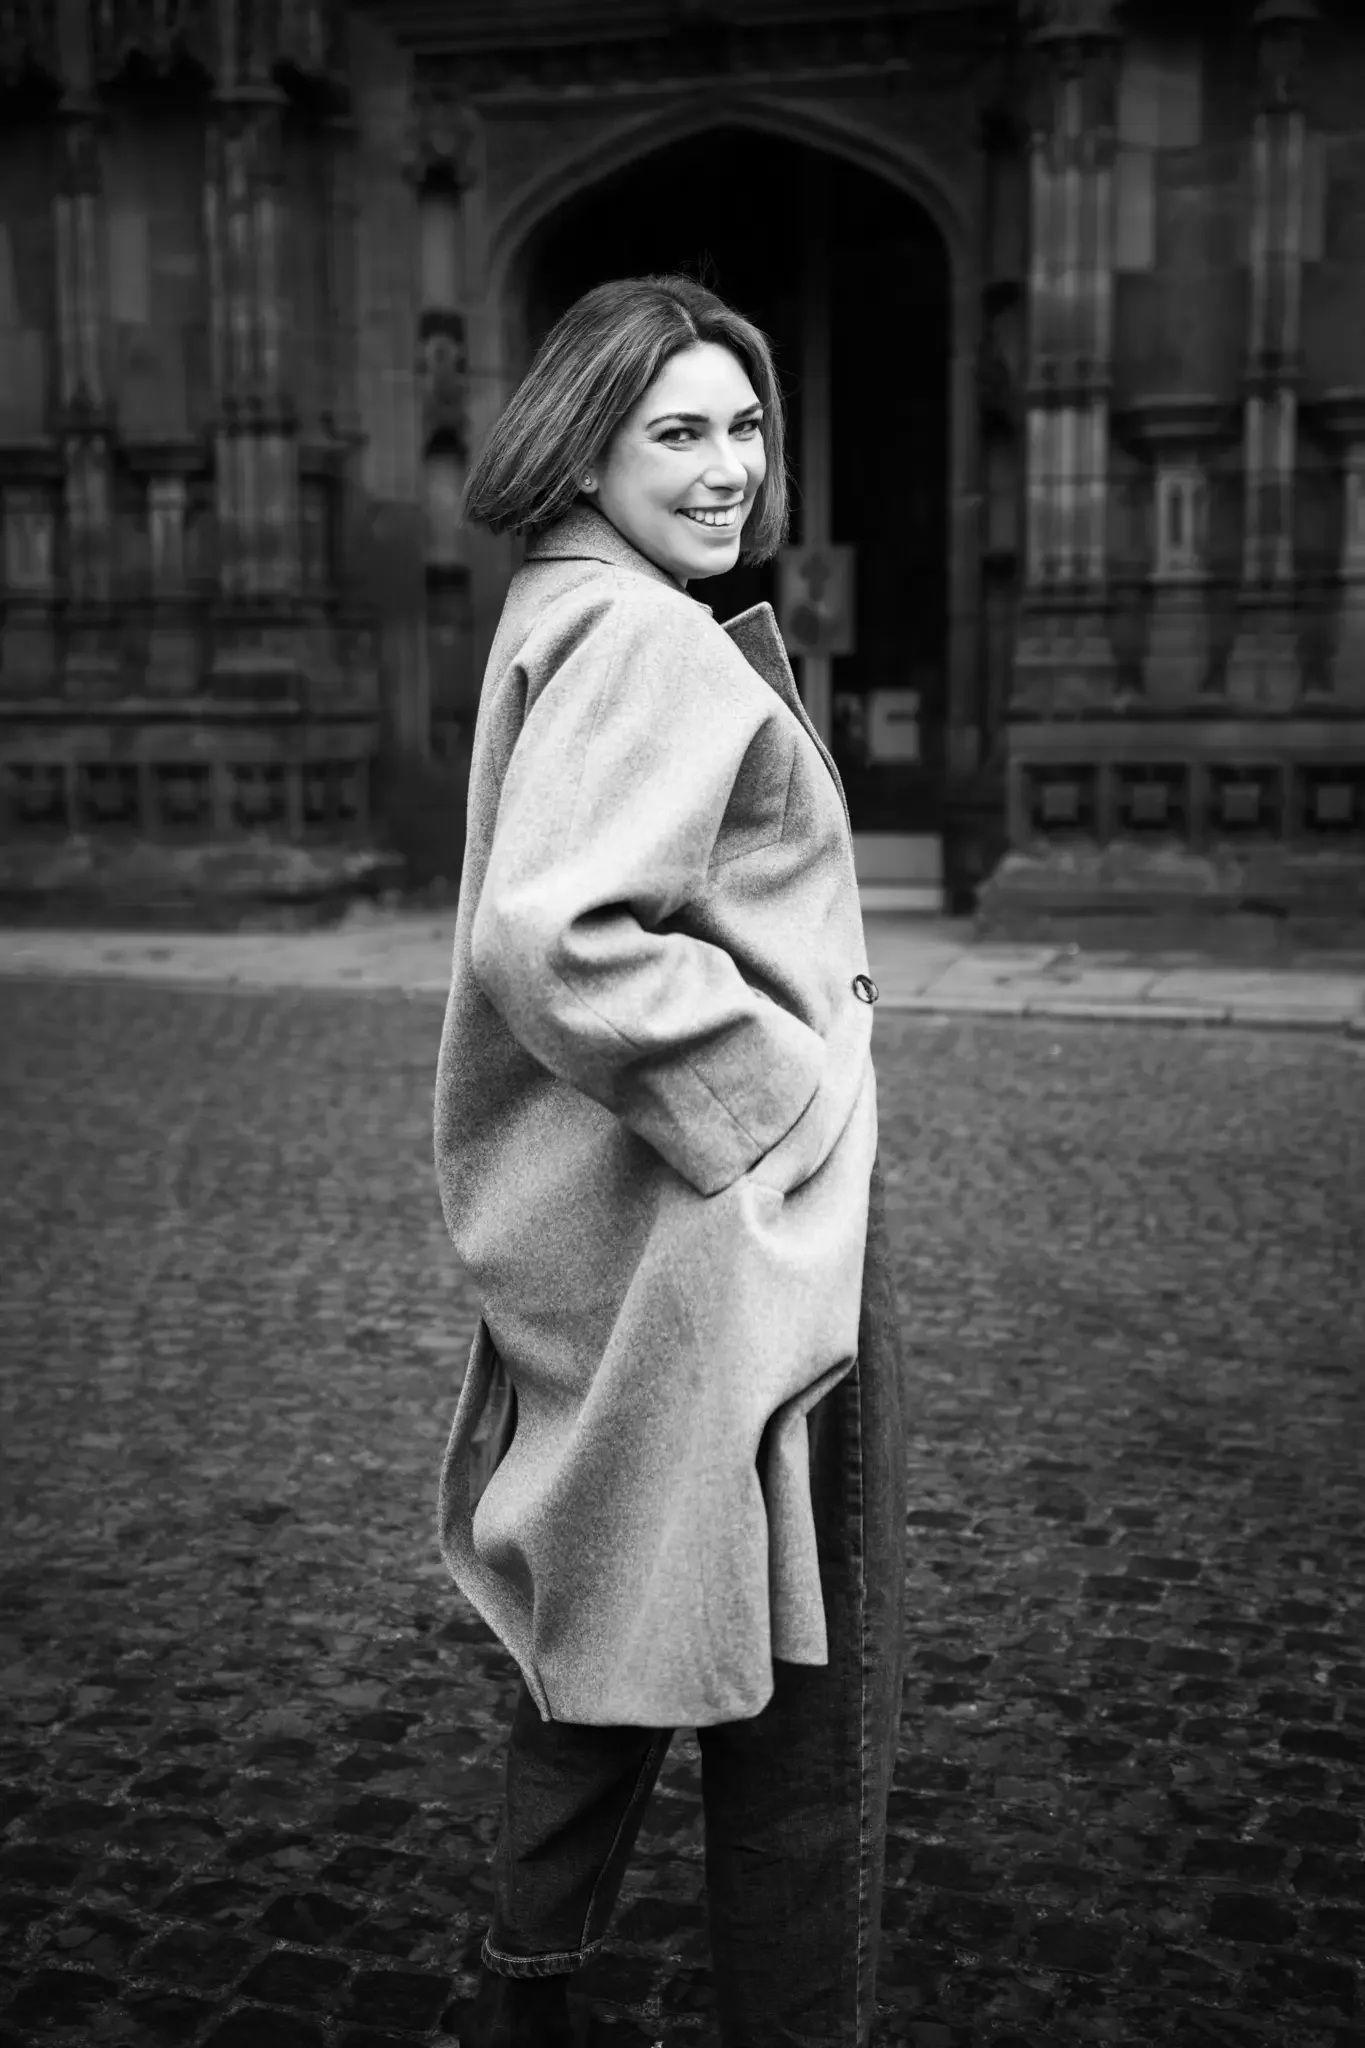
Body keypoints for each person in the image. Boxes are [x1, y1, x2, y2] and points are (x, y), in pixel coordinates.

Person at [432, 274, 907, 2048]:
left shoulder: (571, 601)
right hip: (723, 1226)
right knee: (791, 1680)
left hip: (636, 1219)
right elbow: (555, 936)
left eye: (746, 424)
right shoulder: (638, 633)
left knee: (625, 1630)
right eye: (679, 433)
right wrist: (778, 1098)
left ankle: (528, 1996)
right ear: (587, 446)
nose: (728, 470)